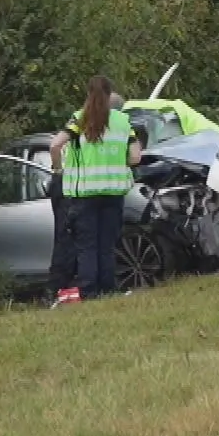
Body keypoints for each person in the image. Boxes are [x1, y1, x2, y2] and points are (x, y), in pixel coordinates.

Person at [48, 76, 144, 299]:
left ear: (88, 94)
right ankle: (109, 289)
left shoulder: (79, 119)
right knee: (107, 245)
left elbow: (55, 145)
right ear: (111, 94)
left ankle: (89, 291)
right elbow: (135, 157)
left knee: (86, 247)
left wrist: (58, 169)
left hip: (84, 195)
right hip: (113, 193)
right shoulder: (122, 121)